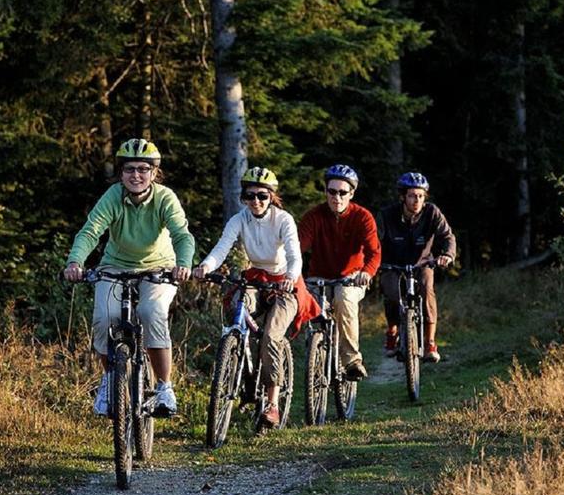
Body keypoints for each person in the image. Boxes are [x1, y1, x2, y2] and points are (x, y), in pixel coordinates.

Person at [63, 138, 195, 417]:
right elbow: (90, 231)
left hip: (159, 268)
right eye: (129, 169)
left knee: (151, 311)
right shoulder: (113, 196)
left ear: (154, 172)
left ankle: (163, 388)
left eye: (143, 169)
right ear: (121, 173)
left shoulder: (164, 198)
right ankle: (110, 380)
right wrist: (76, 261)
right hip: (114, 266)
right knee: (104, 317)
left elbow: (182, 235)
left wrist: (183, 264)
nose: (136, 175)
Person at [193, 167, 319, 427]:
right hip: (255, 279)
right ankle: (238, 356)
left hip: (285, 284)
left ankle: (272, 403)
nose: (256, 202)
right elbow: (222, 247)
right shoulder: (239, 219)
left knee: (272, 335)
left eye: (262, 196)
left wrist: (289, 277)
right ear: (243, 197)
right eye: (250, 196)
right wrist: (205, 267)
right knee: (238, 308)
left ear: (272, 196)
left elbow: (295, 256)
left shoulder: (283, 220)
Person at [298, 164, 381, 380]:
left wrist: (367, 272)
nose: (337, 197)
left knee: (344, 300)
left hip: (351, 277)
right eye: (332, 191)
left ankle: (352, 361)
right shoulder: (313, 217)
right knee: (312, 308)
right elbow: (297, 247)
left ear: (351, 193)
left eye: (343, 192)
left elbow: (374, 252)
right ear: (325, 191)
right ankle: (316, 354)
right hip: (318, 277)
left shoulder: (363, 217)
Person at [378, 172, 455, 363]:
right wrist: (372, 261)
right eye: (412, 195)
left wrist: (447, 255)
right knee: (391, 291)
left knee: (426, 288)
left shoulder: (432, 213)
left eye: (421, 196)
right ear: (403, 196)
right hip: (392, 264)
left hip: (422, 263)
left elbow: (447, 236)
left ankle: (429, 342)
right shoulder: (387, 215)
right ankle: (393, 330)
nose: (417, 200)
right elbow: (374, 241)